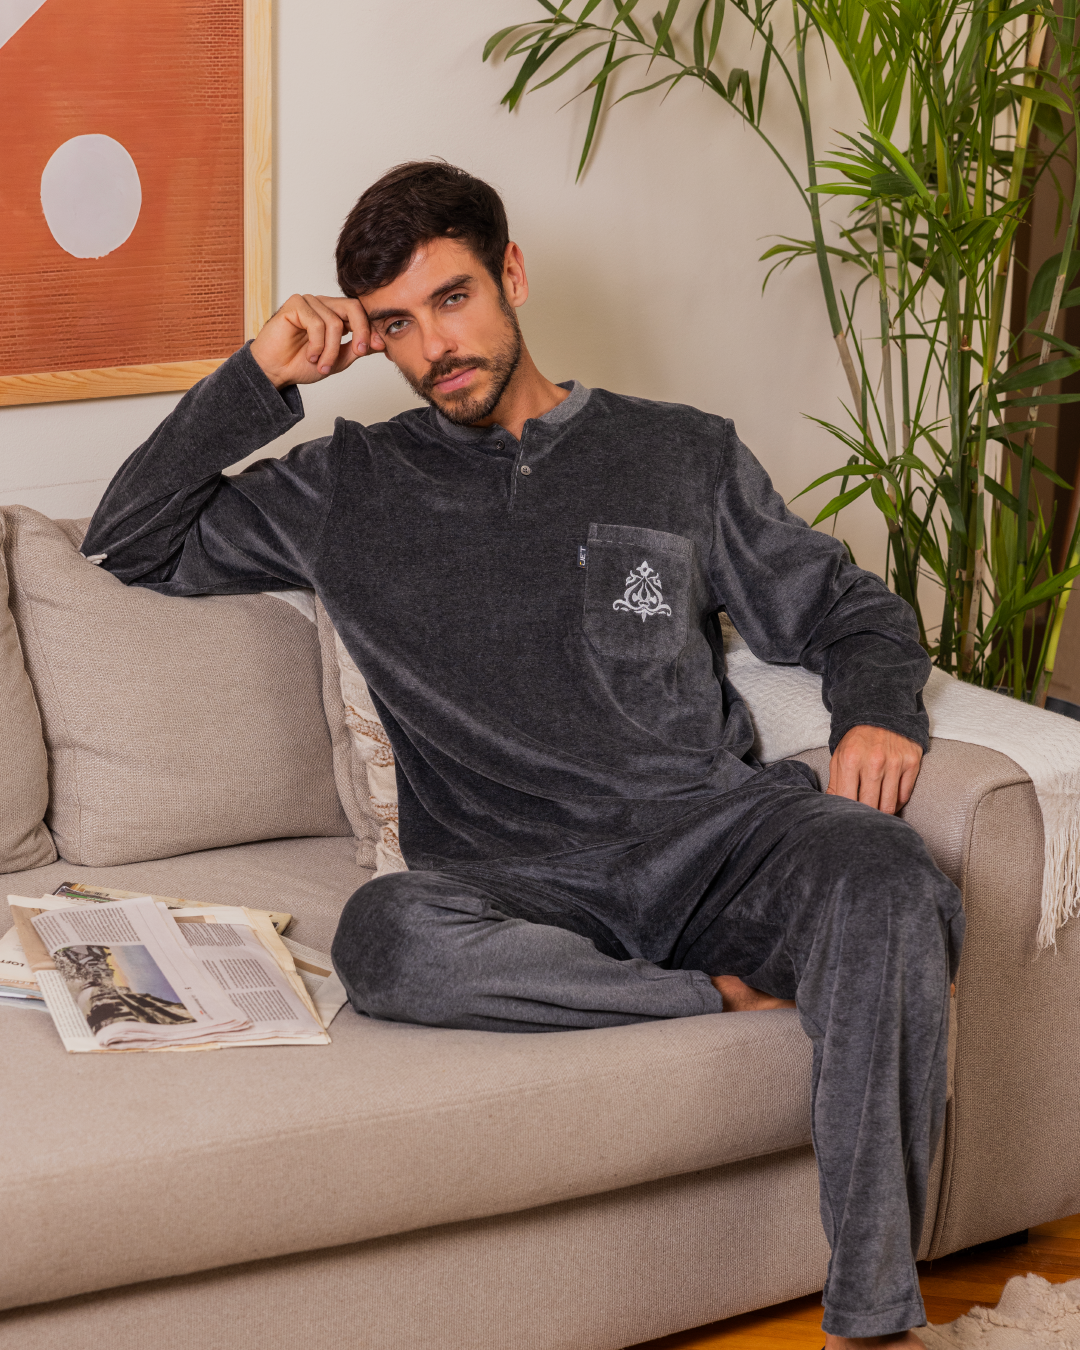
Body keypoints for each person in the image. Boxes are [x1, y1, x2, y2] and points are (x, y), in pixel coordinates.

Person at [83, 160, 962, 1349]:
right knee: (387, 938)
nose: (436, 347)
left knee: (889, 875)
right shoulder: (349, 485)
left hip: (716, 842)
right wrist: (259, 374)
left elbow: (849, 611)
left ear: (512, 274)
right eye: (397, 323)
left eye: (453, 299)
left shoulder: (678, 453)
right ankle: (708, 992)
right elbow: (129, 541)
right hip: (512, 879)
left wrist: (878, 711)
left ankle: (876, 1323)